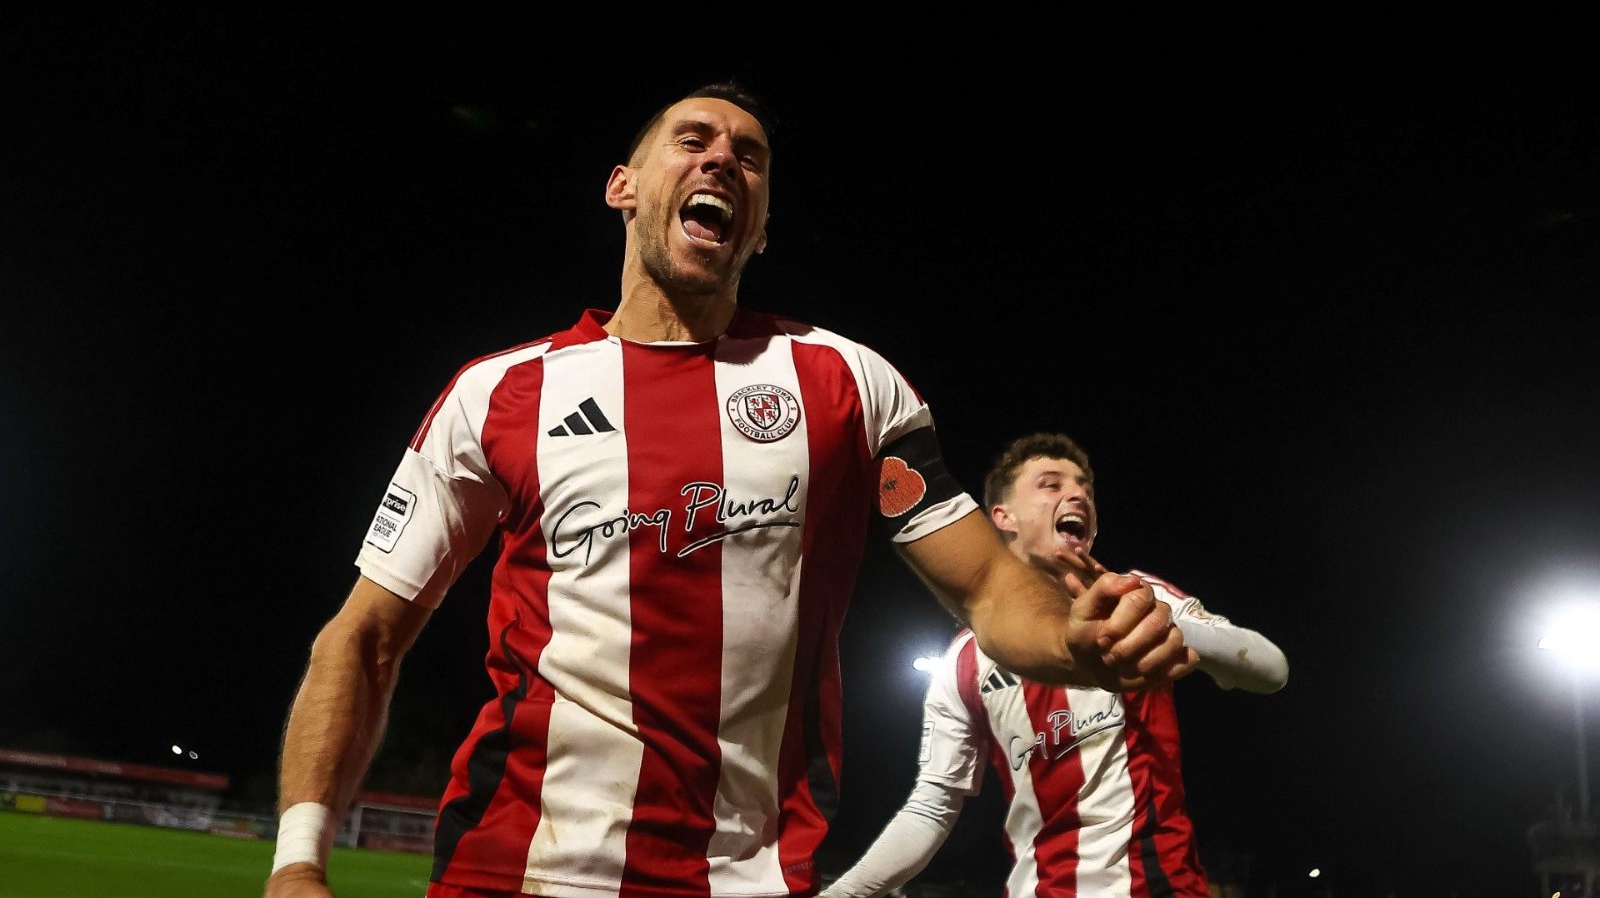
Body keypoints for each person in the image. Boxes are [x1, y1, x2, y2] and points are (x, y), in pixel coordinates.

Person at [263, 84, 1195, 898]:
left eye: (750, 157)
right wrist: (299, 860)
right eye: (693, 139)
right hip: (512, 868)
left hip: (745, 876)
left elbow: (990, 588)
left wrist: (1072, 642)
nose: (724, 159)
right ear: (622, 187)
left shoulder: (847, 385)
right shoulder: (499, 394)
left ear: (761, 222)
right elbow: (364, 636)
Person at [823, 432, 1288, 898]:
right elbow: (932, 805)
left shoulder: (1141, 597)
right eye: (1051, 484)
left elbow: (1271, 669)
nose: (1078, 494)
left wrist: (1164, 629)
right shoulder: (963, 660)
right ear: (1002, 518)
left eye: (1085, 487)